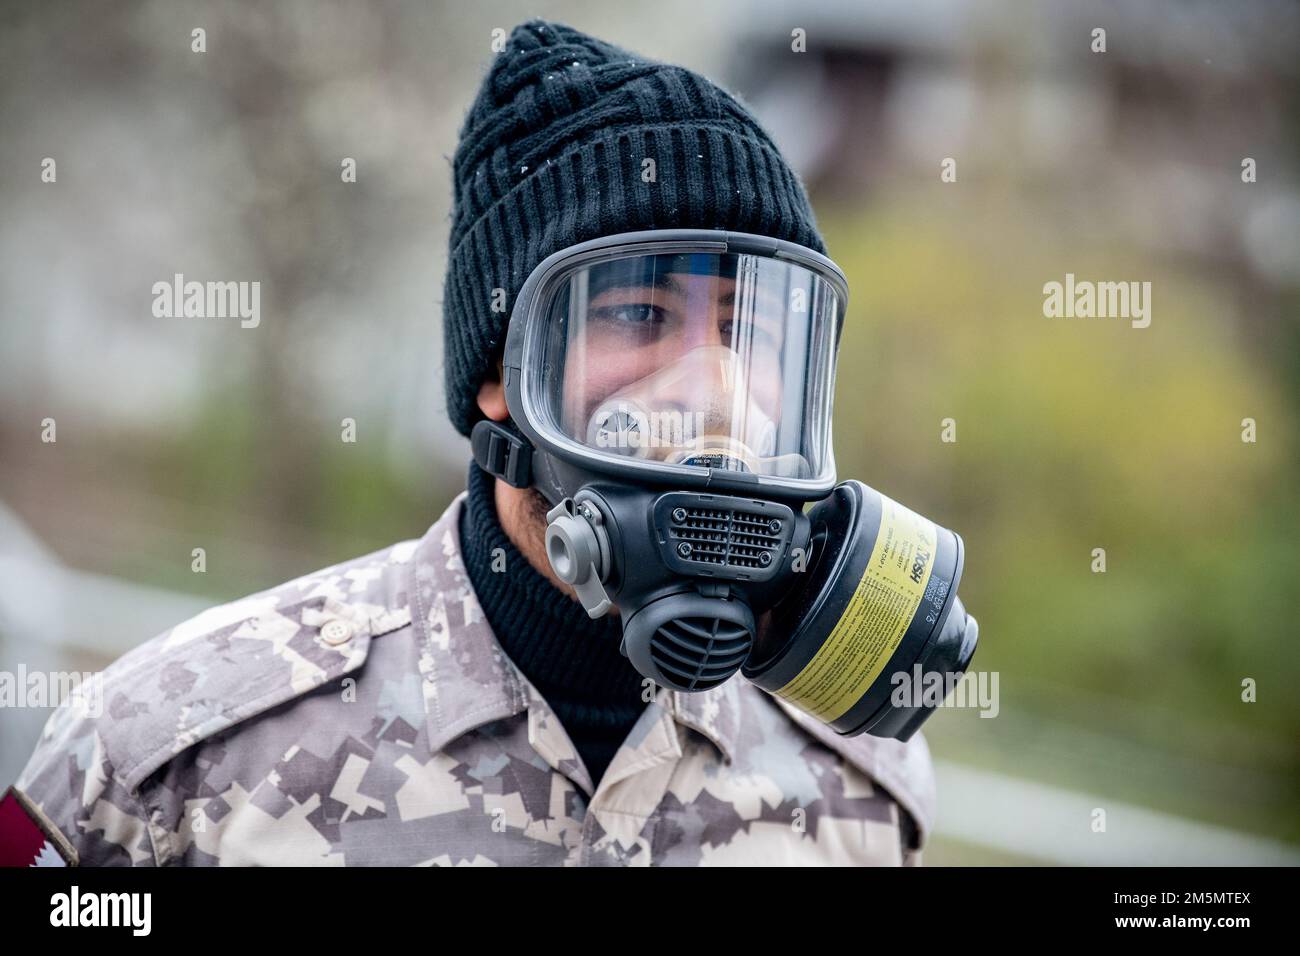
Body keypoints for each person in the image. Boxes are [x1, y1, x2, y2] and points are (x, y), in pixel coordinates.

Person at [0, 18, 936, 867]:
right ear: (501, 373)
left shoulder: (858, 787)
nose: (714, 393)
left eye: (753, 333)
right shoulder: (167, 759)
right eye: (642, 310)